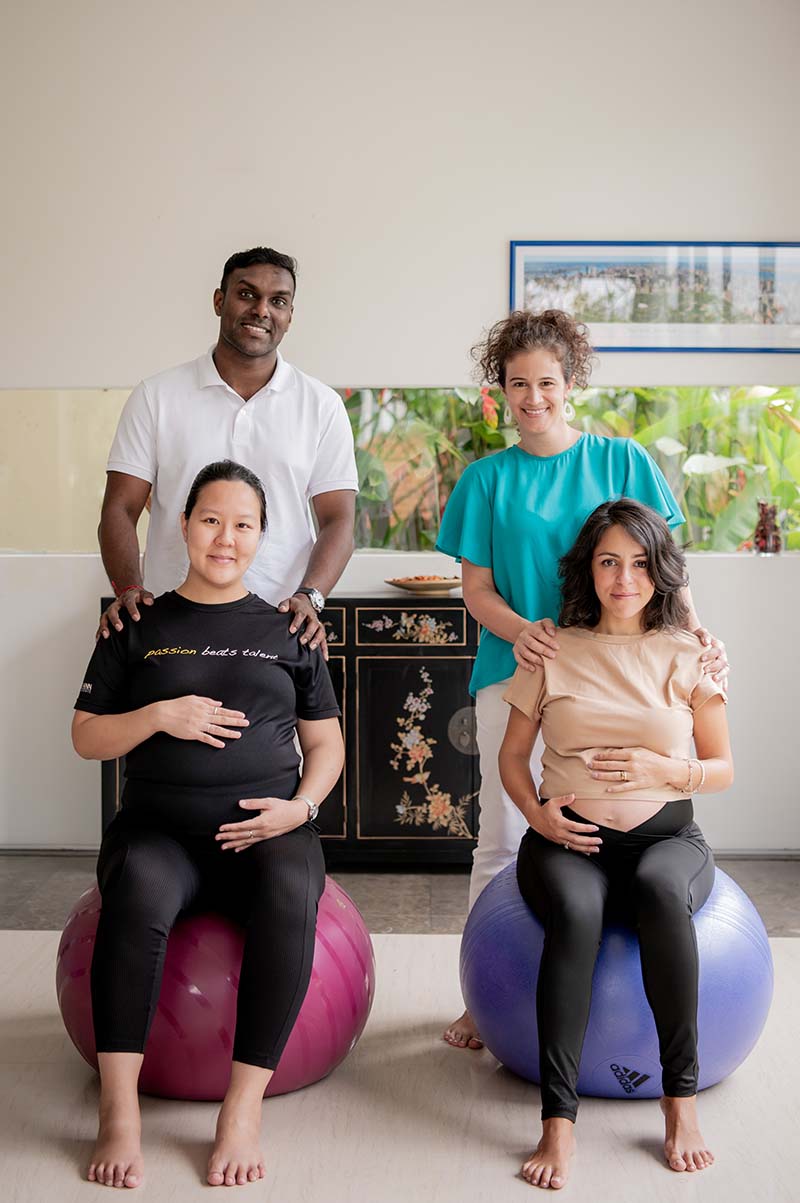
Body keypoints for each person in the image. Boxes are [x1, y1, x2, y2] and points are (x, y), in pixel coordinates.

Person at [436, 309, 728, 1051]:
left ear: (571, 385)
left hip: (623, 678)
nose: (532, 397)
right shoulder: (486, 480)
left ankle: (620, 986)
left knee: (626, 820)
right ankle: (480, 997)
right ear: (498, 392)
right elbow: (477, 590)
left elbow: (666, 567)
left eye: (546, 382)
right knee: (501, 837)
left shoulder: (622, 460)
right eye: (516, 384)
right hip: (517, 670)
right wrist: (522, 631)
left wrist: (697, 638)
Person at [72, 460, 344, 1189]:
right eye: (211, 519)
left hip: (269, 827)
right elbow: (87, 735)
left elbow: (326, 745)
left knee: (291, 892)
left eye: (244, 524)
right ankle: (119, 1111)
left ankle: (242, 1109)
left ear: (262, 536)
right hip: (160, 830)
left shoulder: (291, 628)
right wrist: (162, 713)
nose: (226, 537)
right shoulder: (137, 623)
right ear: (184, 525)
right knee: (135, 892)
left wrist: (300, 809)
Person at [499, 498, 733, 1187]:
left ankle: (679, 1101)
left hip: (668, 838)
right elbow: (513, 758)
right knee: (576, 912)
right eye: (608, 561)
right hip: (569, 841)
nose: (623, 577)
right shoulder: (552, 647)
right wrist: (538, 818)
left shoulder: (691, 651)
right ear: (588, 571)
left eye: (638, 562)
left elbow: (722, 768)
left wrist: (671, 770)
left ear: (660, 571)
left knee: (662, 891)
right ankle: (557, 1122)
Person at [97, 246, 358, 656]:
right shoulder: (157, 396)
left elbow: (339, 518)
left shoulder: (321, 405)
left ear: (290, 316)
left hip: (281, 623)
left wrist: (311, 596)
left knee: (276, 724)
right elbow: (119, 508)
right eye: (246, 294)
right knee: (163, 721)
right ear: (220, 301)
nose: (261, 310)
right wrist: (129, 588)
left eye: (278, 301)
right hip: (170, 623)